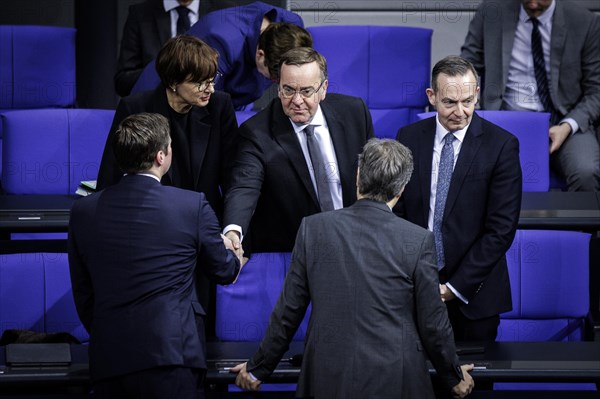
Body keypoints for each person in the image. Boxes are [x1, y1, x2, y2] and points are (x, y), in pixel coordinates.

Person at [231, 138, 475, 399]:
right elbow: (433, 323)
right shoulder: (417, 240)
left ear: (357, 176)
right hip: (396, 379)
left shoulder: (313, 229)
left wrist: (259, 368)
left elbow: (289, 311)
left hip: (326, 378)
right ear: (401, 188)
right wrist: (453, 376)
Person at [68, 112, 241, 399]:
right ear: (161, 156)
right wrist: (234, 254)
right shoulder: (191, 205)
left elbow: (83, 292)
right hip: (173, 357)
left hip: (111, 359)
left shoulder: (83, 212)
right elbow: (224, 270)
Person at [98, 35, 238, 336]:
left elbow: (233, 176)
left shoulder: (220, 106)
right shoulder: (135, 107)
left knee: (202, 328)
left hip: (203, 235)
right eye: (200, 82)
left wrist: (231, 228)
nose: (210, 89)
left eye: (212, 80)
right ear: (173, 82)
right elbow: (108, 181)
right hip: (153, 237)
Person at [395, 56, 522, 343]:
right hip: (415, 291)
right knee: (417, 385)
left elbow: (500, 230)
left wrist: (453, 288)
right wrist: (416, 278)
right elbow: (397, 213)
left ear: (477, 94)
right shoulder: (408, 138)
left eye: (467, 100)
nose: (460, 111)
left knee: (473, 387)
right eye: (449, 102)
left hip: (474, 298)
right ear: (432, 97)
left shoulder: (501, 146)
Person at [222, 47, 375, 257]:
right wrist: (233, 231)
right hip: (298, 250)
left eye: (306, 91)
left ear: (323, 89)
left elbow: (373, 179)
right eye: (288, 90)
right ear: (278, 89)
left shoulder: (355, 113)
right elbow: (243, 186)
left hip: (354, 243)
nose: (296, 100)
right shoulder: (256, 133)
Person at [460, 0, 600, 191]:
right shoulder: (492, 11)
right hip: (504, 119)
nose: (533, 5)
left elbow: (596, 90)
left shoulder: (584, 21)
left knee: (586, 171)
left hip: (564, 120)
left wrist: (568, 126)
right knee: (466, 170)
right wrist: (467, 105)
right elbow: (467, 67)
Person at [131, 1, 310, 110]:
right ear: (260, 53)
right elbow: (204, 104)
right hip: (165, 94)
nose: (277, 83)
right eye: (274, 77)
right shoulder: (222, 42)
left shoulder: (293, 29)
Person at [114, 0, 201, 97]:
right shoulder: (140, 14)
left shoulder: (218, 12)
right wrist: (160, 73)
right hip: (153, 106)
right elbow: (123, 82)